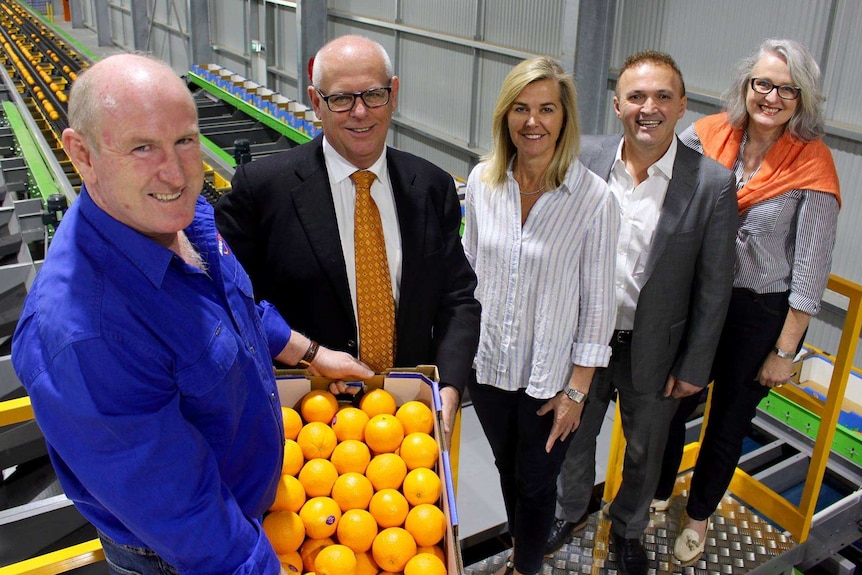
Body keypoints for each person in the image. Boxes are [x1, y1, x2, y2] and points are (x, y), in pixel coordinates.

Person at [11, 54, 373, 575]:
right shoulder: (87, 333)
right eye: (142, 147)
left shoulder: (179, 216)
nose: (176, 171)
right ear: (81, 154)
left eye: (184, 139)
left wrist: (310, 353)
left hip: (252, 504)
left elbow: (232, 308)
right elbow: (193, 523)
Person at [215, 36, 480, 440]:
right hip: (303, 420)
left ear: (394, 93)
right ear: (315, 101)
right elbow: (225, 294)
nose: (360, 112)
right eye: (341, 99)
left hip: (408, 417)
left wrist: (449, 386)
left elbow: (457, 298)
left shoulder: (430, 186)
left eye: (374, 94)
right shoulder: (263, 190)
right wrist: (307, 355)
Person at [546, 51, 738, 575]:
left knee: (645, 450)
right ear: (616, 106)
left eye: (661, 97)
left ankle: (628, 528)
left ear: (682, 107)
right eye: (636, 96)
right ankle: (571, 511)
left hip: (655, 346)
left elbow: (714, 286)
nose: (647, 107)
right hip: (582, 339)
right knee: (572, 435)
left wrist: (696, 365)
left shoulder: (711, 184)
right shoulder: (584, 158)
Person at [652, 39, 841, 566]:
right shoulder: (707, 134)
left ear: (802, 100)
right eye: (763, 83)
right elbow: (659, 177)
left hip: (759, 314)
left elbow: (810, 270)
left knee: (728, 421)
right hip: (697, 300)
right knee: (671, 403)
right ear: (746, 85)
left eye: (787, 89)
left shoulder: (814, 165)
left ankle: (697, 517)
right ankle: (660, 491)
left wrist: (786, 350)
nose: (772, 97)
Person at [461, 56, 619, 575]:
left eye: (546, 108)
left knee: (536, 481)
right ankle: (521, 551)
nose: (533, 121)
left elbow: (599, 304)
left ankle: (526, 566)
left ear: (564, 117)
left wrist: (577, 391)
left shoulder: (594, 199)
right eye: (521, 108)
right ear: (505, 115)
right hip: (488, 370)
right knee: (509, 469)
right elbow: (468, 273)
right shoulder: (484, 182)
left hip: (550, 381)